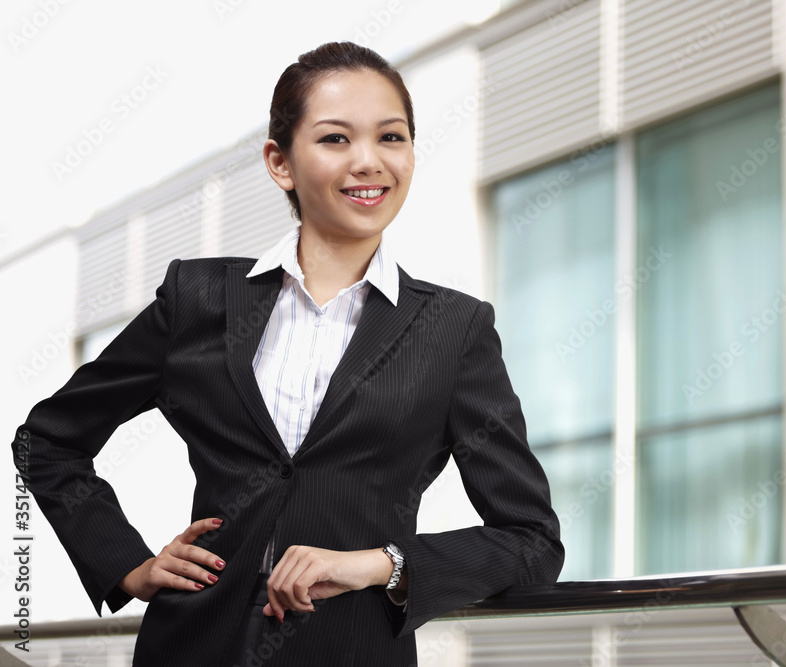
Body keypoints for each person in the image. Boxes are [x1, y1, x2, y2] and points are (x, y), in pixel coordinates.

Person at [12, 41, 564, 666]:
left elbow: (531, 541)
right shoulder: (197, 299)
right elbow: (47, 440)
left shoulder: (454, 329)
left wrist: (380, 564)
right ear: (281, 162)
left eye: (392, 137)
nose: (369, 162)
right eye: (335, 139)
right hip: (191, 647)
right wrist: (127, 565)